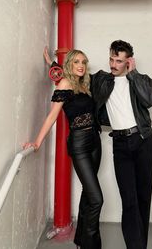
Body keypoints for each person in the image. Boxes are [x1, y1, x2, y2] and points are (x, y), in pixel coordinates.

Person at [23, 49, 103, 249]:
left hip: (95, 141)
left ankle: (81, 242)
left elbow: (58, 69)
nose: (81, 65)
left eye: (84, 61)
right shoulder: (65, 83)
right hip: (79, 144)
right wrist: (37, 142)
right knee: (96, 199)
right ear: (70, 64)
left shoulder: (85, 84)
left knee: (88, 194)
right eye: (76, 61)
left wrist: (51, 62)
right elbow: (52, 117)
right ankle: (91, 246)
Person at [90, 40, 152, 249]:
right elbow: (76, 75)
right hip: (120, 144)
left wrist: (133, 75)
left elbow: (149, 100)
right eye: (111, 58)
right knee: (129, 201)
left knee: (143, 198)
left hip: (144, 141)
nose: (113, 64)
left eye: (118, 60)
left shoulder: (142, 80)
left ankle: (140, 245)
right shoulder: (101, 80)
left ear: (128, 61)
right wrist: (54, 66)